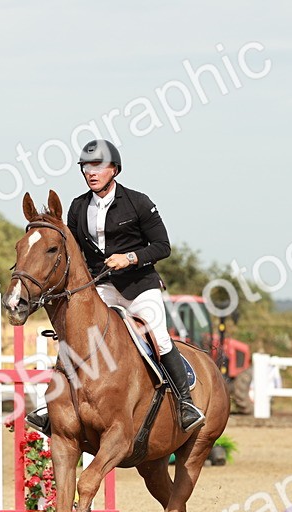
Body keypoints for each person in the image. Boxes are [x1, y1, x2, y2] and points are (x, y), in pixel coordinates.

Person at [26, 140, 204, 437]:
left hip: (139, 286)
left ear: (114, 170)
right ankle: (51, 406)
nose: (91, 173)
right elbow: (75, 252)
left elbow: (163, 246)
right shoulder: (78, 207)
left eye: (97, 167)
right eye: (86, 167)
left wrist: (130, 258)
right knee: (75, 337)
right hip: (102, 286)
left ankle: (186, 405)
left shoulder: (138, 202)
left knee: (158, 337)